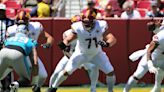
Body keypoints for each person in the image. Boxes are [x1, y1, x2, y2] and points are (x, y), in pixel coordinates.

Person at [47, 10, 117, 92]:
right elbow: (69, 38)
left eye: (89, 22)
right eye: (84, 22)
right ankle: (53, 88)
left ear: (94, 21)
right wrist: (64, 43)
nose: (86, 24)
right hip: (81, 53)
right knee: (67, 71)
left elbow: (112, 38)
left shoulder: (101, 25)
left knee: (110, 72)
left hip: (97, 54)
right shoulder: (77, 27)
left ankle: (110, 90)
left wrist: (107, 43)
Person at [48, 15, 99, 92]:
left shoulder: (86, 32)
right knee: (57, 72)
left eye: (78, 22)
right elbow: (65, 49)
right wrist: (71, 58)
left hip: (82, 54)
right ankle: (51, 88)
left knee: (93, 67)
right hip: (70, 55)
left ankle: (93, 88)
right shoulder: (67, 33)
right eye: (75, 23)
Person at [7, 10, 54, 92]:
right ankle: (15, 85)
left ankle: (35, 88)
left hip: (31, 54)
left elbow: (49, 37)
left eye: (24, 22)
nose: (22, 25)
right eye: (19, 22)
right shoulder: (11, 29)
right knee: (27, 76)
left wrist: (48, 44)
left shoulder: (35, 26)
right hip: (19, 54)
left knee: (43, 76)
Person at [0, 25, 38, 92]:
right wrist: (35, 82)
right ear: (27, 32)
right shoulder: (30, 41)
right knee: (26, 80)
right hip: (18, 53)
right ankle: (15, 84)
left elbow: (4, 51)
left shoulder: (8, 39)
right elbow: (35, 63)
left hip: (3, 52)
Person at [0, 3, 15, 92]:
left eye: (2, 11)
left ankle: (7, 87)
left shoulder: (11, 22)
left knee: (7, 67)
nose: (1, 13)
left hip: (7, 46)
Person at [146, 19, 164, 92]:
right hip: (156, 54)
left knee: (161, 69)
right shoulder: (159, 37)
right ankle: (157, 87)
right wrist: (150, 64)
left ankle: (157, 87)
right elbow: (149, 51)